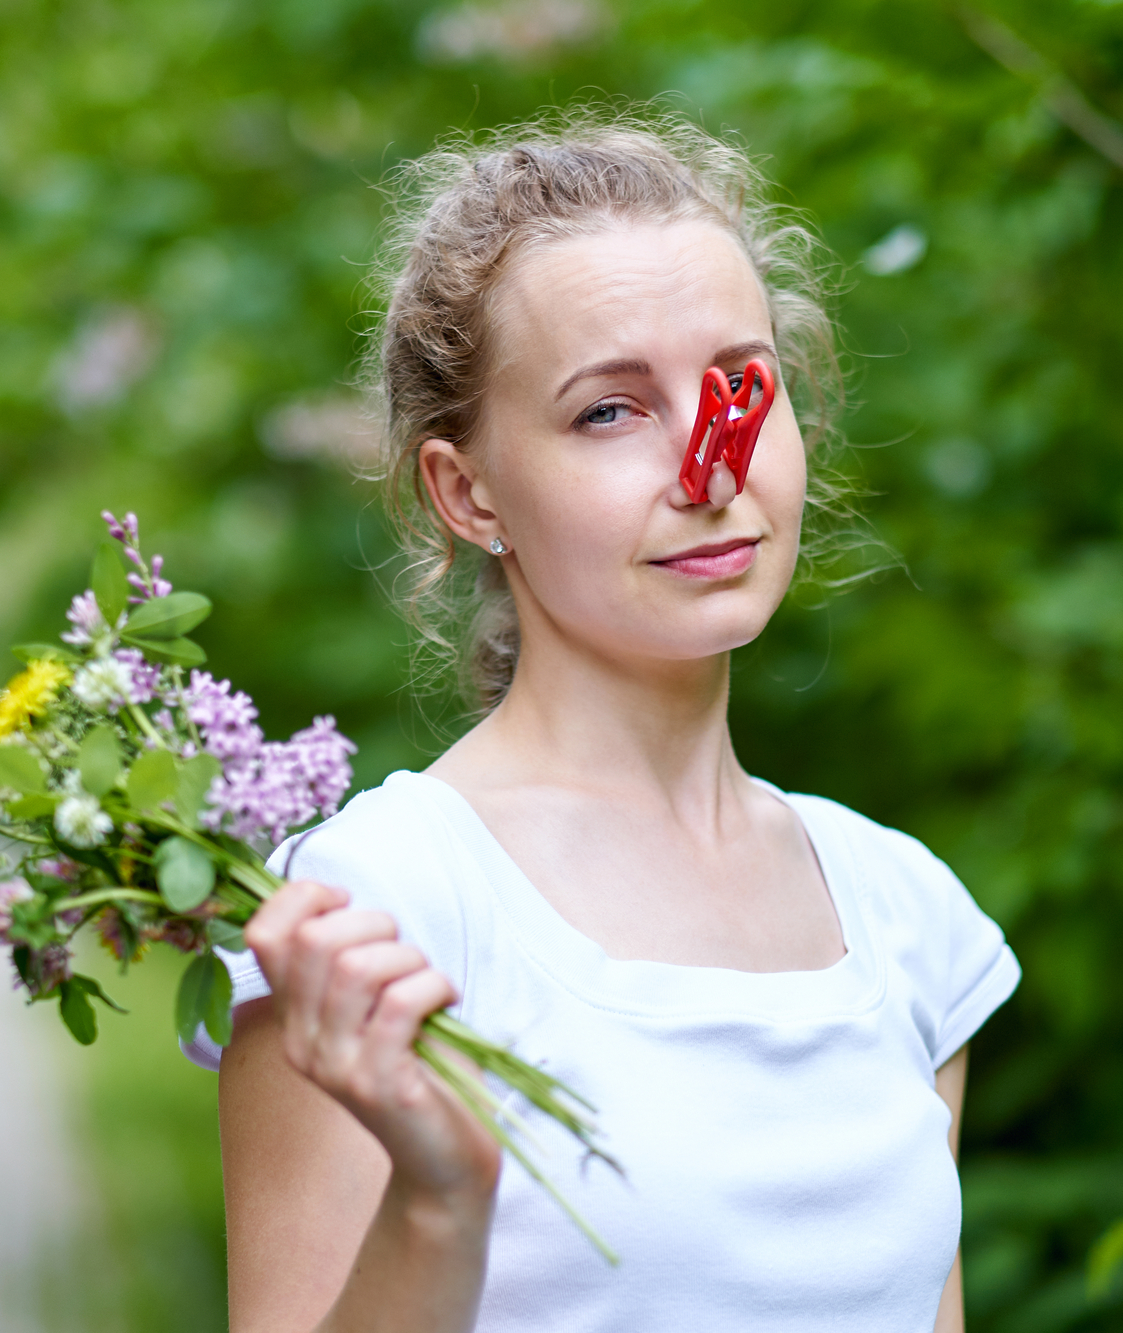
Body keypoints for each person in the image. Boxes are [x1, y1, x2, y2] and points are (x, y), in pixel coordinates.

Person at [189, 112, 1021, 1333]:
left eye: (741, 385)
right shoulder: (375, 910)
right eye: (607, 413)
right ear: (467, 493)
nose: (709, 467)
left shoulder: (905, 918)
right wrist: (439, 1199)